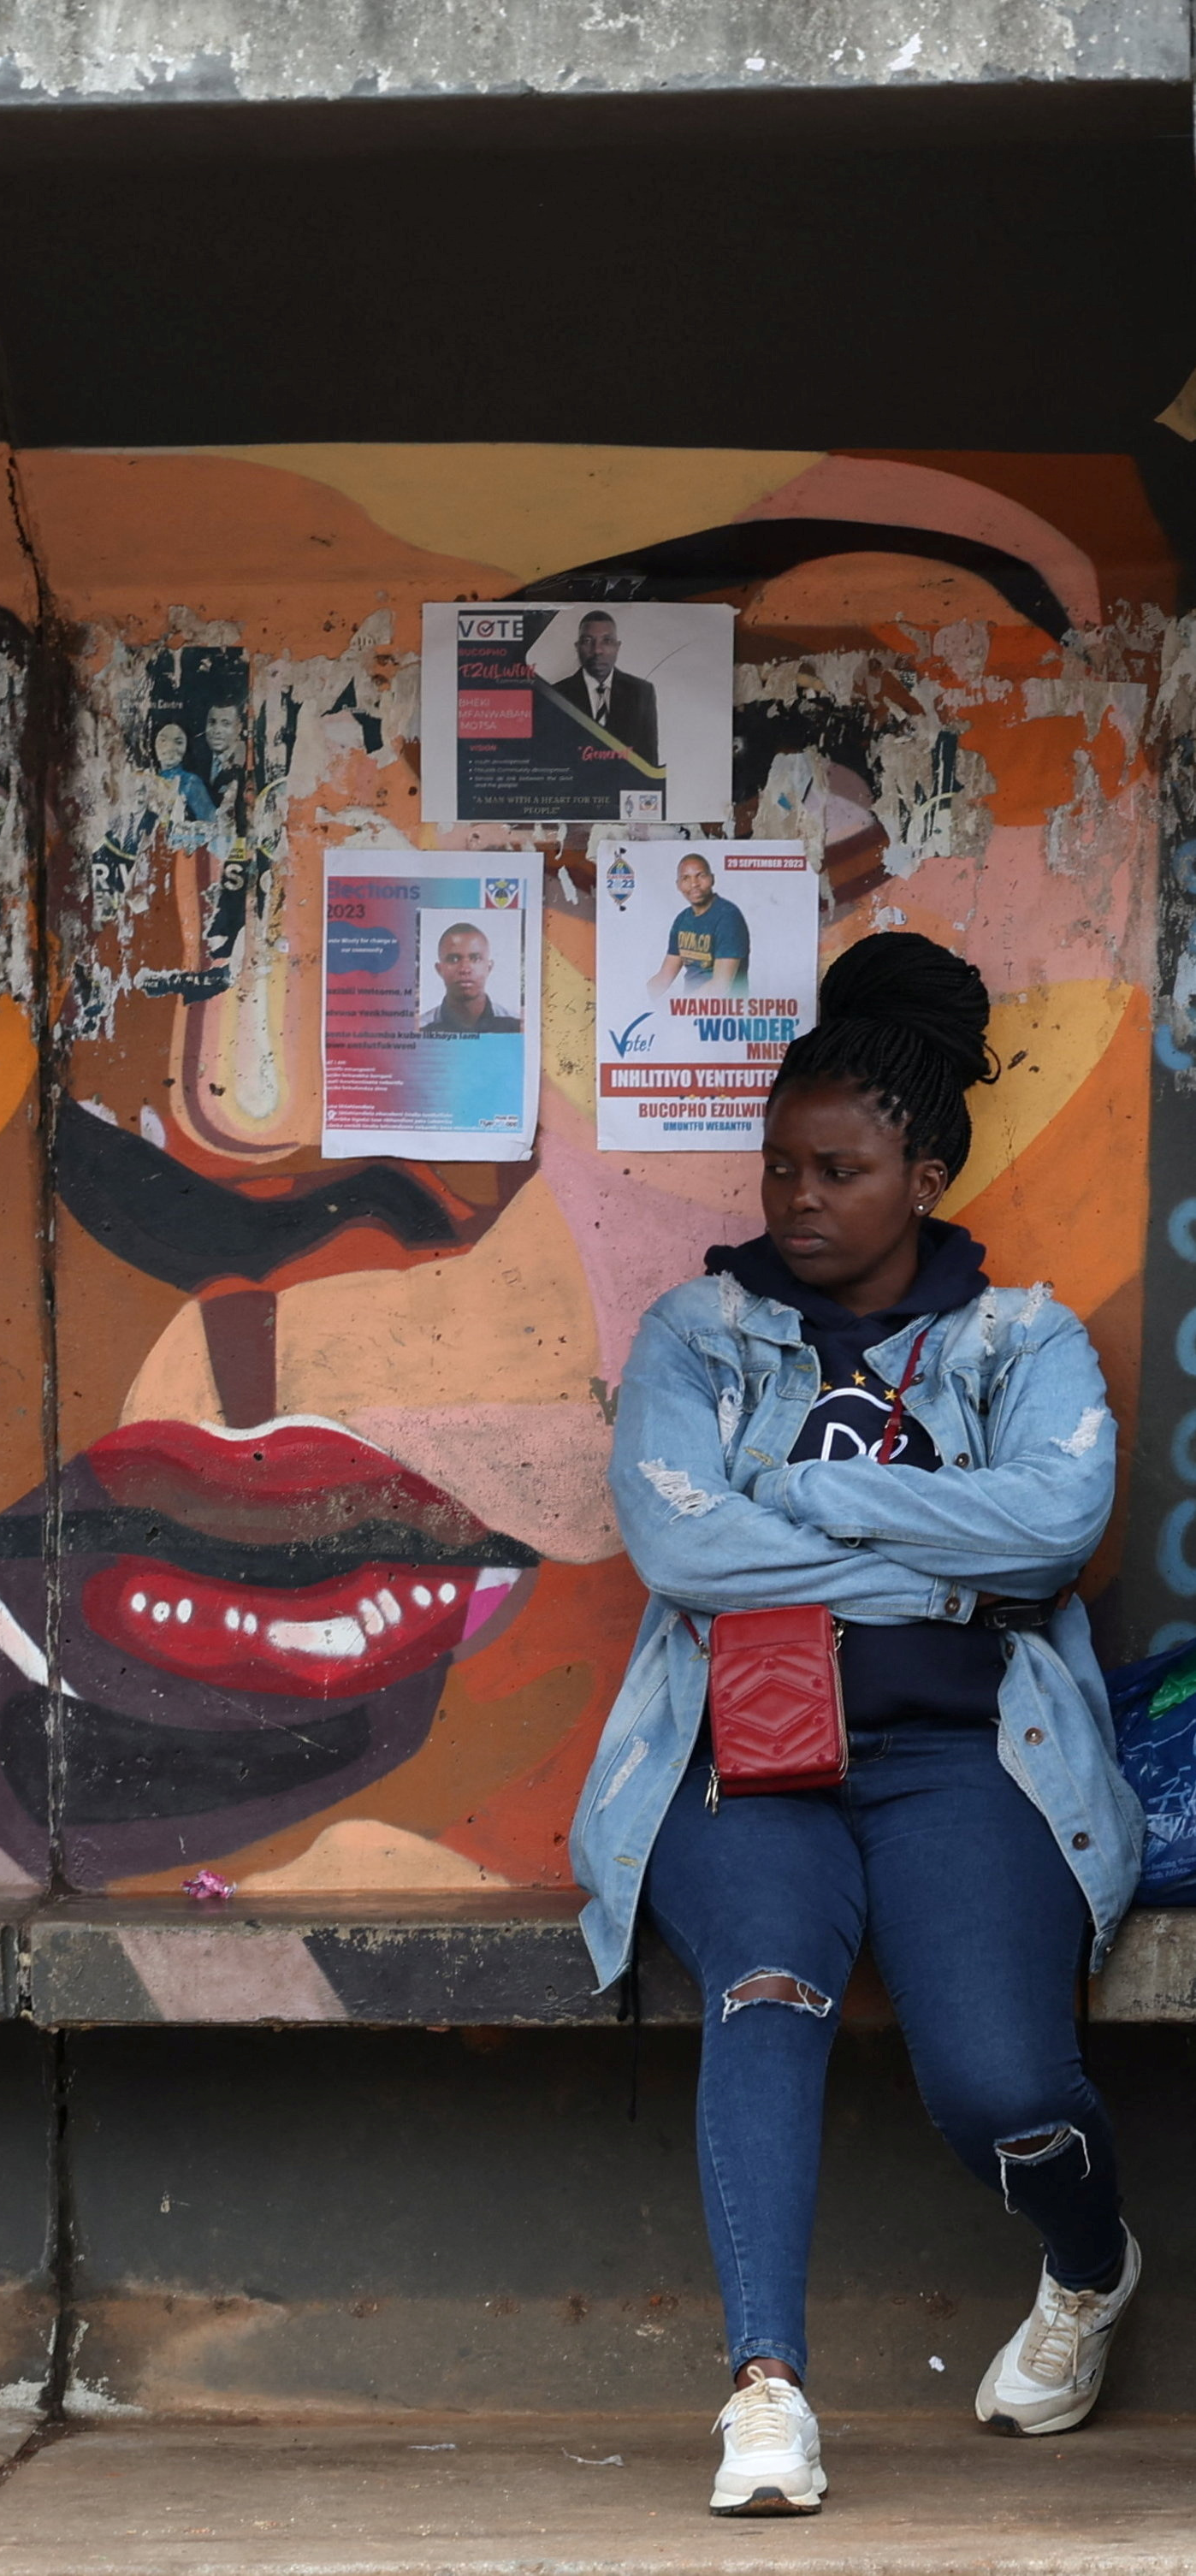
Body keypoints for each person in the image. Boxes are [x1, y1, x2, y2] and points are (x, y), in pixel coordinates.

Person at [569, 933, 1140, 2520]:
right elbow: (682, 1545)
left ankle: (1088, 2268)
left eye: (838, 1168)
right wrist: (936, 1560)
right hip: (744, 1764)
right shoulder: (701, 1336)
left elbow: (1049, 1527)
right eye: (778, 1168)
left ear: (925, 1171)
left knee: (1003, 2085)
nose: (795, 1201)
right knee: (765, 1993)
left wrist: (812, 1494)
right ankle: (766, 2392)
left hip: (969, 1763)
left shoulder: (1018, 1340)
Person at [550, 608, 660, 763]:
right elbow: (551, 760)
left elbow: (649, 763)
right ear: (577, 647)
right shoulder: (555, 695)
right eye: (588, 641)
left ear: (617, 647)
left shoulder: (641, 693)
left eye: (606, 641)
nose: (597, 650)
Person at [652, 850, 752, 996]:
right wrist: (637, 1001)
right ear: (678, 885)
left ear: (712, 879)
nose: (694, 884)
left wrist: (679, 1010)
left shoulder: (728, 917)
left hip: (725, 1013)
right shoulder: (682, 920)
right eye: (686, 878)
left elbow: (720, 987)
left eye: (701, 876)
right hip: (691, 1011)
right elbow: (664, 978)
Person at [413, 921, 520, 1034]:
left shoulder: (516, 1026)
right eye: (454, 959)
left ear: (489, 967)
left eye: (475, 959)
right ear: (440, 969)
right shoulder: (420, 1030)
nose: (465, 969)